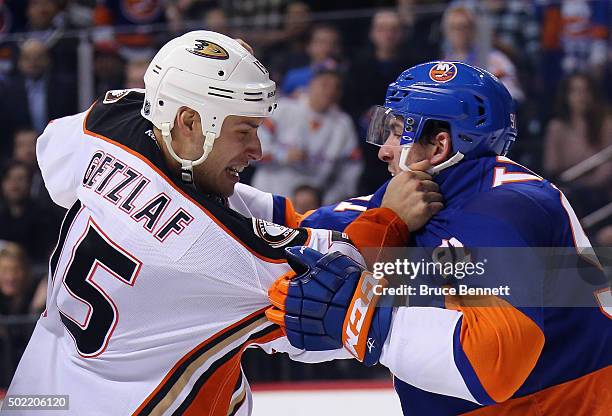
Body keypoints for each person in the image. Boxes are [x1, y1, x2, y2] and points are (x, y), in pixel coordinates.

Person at [6, 31, 442, 415]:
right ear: (191, 122)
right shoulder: (224, 252)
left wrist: (206, 71)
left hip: (38, 392)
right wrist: (389, 220)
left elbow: (56, 154)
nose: (257, 149)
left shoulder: (105, 125)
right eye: (244, 130)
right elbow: (338, 290)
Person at [267, 62, 611, 415]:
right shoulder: (419, 196)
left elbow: (493, 364)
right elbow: (287, 227)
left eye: (397, 130)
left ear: (439, 146)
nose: (383, 150)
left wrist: (361, 317)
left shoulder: (505, 207)